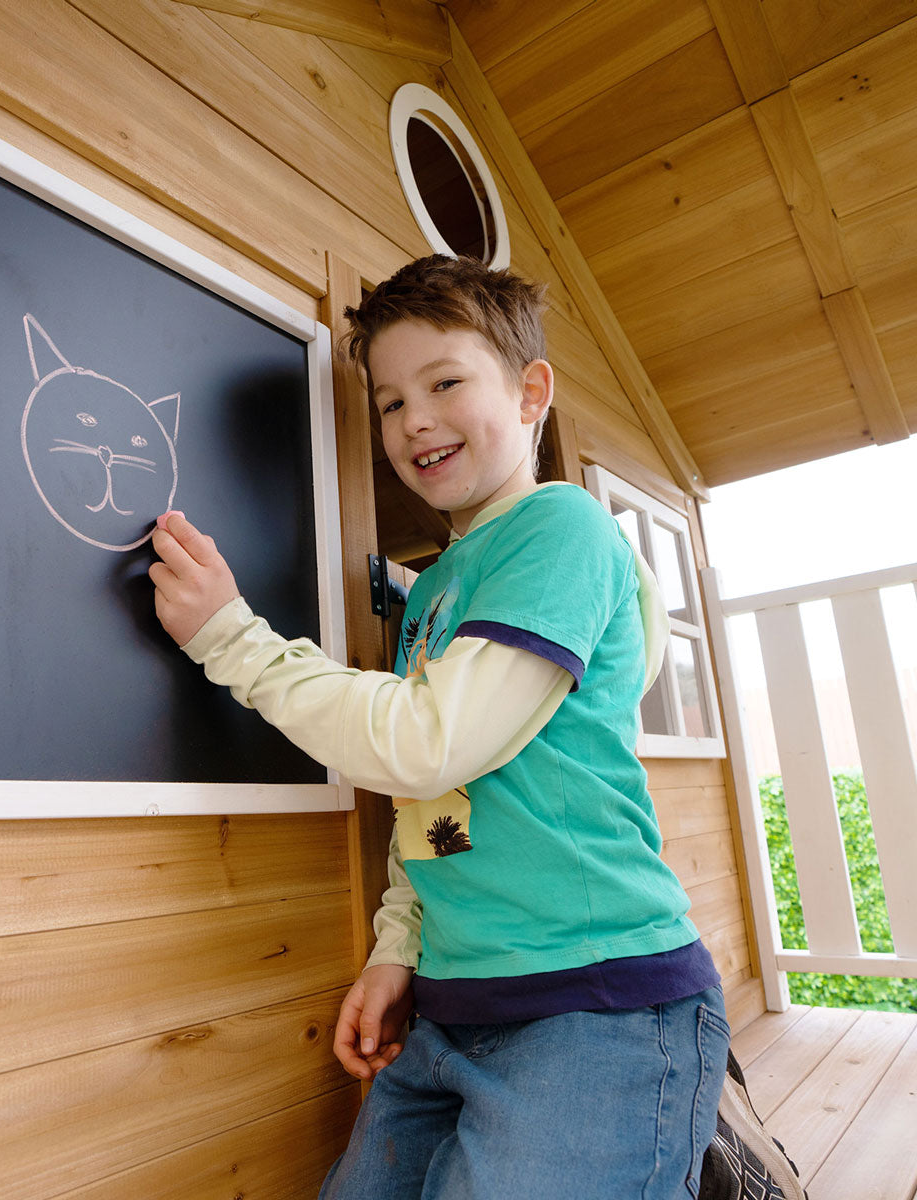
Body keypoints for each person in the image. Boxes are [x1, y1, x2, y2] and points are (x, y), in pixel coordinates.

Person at [148, 254, 728, 1199]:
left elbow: (426, 741)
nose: (413, 418)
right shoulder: (437, 593)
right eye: (388, 402)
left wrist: (230, 639)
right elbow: (434, 799)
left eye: (445, 382)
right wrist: (398, 952)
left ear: (532, 390)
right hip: (454, 1009)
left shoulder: (564, 528)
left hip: (598, 1003)